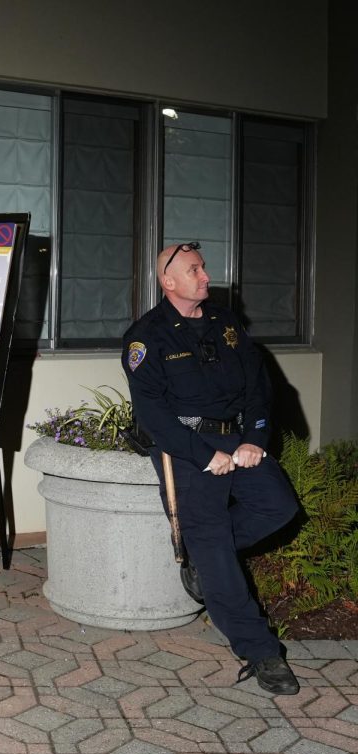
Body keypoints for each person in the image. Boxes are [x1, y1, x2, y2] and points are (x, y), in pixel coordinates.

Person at [122, 241, 300, 695]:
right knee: (214, 547)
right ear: (169, 282)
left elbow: (260, 387)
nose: (206, 276)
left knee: (278, 506)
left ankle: (204, 557)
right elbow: (153, 415)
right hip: (185, 447)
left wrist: (253, 440)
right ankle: (260, 651)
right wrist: (205, 455)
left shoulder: (227, 323)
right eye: (195, 270)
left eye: (203, 268)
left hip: (237, 440)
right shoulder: (147, 336)